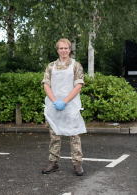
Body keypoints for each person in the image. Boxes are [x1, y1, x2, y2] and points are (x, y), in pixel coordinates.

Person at [41, 38, 86, 176]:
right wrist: (55, 101)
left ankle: (77, 164)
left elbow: (78, 86)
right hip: (54, 105)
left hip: (70, 105)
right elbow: (46, 84)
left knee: (74, 134)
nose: (63, 50)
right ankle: (53, 162)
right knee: (54, 134)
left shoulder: (76, 66)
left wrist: (64, 101)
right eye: (61, 48)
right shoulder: (50, 66)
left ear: (69, 49)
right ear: (57, 50)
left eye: (66, 48)